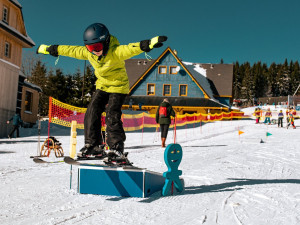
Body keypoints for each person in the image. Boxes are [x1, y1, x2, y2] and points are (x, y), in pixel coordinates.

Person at [37, 23, 167, 162]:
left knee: (112, 113)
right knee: (92, 110)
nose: (94, 51)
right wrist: (50, 49)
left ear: (105, 42)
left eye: (97, 47)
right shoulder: (89, 53)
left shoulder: (115, 51)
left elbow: (130, 48)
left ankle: (116, 149)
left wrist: (149, 44)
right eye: (90, 48)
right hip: (103, 86)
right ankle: (94, 146)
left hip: (118, 87)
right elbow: (70, 50)